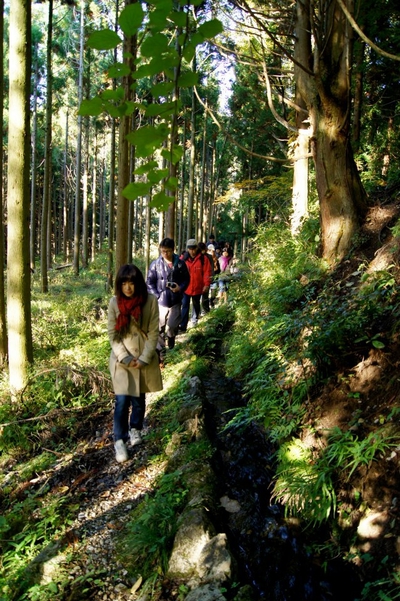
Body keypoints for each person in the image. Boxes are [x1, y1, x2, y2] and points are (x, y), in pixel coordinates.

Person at [107, 264, 163, 463]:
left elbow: (154, 332)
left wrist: (144, 358)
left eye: (131, 283)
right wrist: (125, 357)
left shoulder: (150, 301)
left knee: (139, 399)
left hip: (142, 358)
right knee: (122, 401)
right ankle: (119, 441)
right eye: (124, 283)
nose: (128, 288)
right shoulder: (115, 303)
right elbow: (113, 336)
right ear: (119, 285)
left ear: (137, 283)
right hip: (122, 360)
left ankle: (135, 429)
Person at [146, 237, 190, 365]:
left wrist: (180, 288)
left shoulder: (180, 264)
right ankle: (161, 355)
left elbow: (186, 279)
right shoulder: (155, 264)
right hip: (160, 301)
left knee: (172, 326)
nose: (165, 253)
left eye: (168, 251)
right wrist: (157, 295)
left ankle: (171, 340)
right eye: (163, 251)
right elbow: (149, 282)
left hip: (175, 300)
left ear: (173, 250)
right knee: (159, 328)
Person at [180, 239, 212, 331]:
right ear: (188, 249)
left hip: (198, 287)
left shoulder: (203, 259)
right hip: (186, 287)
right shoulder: (183, 259)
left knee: (196, 304)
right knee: (185, 305)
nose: (192, 251)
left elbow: (207, 272)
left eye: (193, 249)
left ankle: (194, 320)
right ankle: (183, 325)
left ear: (196, 248)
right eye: (190, 249)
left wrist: (206, 284)